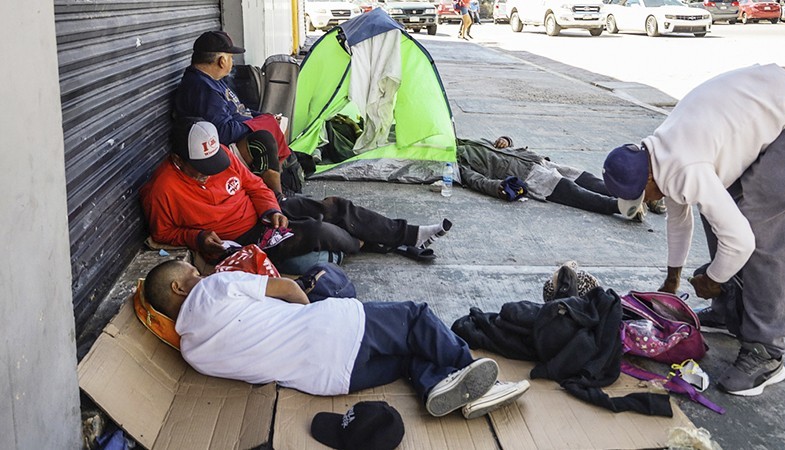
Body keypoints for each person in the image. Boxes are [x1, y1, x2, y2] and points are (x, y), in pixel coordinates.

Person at [601, 64, 785, 396]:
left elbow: (740, 242)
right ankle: (729, 310)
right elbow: (679, 218)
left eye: (642, 196)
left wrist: (714, 278)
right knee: (720, 212)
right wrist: (673, 278)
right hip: (768, 101)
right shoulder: (659, 154)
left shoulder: (685, 166)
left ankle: (767, 351)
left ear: (649, 179)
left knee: (761, 230)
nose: (646, 202)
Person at [143, 259, 531, 419]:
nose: (198, 271)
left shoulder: (192, 352)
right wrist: (307, 311)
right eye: (190, 270)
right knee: (416, 318)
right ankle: (480, 380)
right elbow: (289, 291)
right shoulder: (216, 286)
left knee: (409, 353)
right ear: (179, 287)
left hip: (331, 382)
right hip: (334, 331)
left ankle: (436, 385)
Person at [139, 118, 452, 270]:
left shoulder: (222, 155)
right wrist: (197, 239)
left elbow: (254, 186)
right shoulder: (162, 189)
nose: (209, 171)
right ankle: (378, 241)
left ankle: (408, 235)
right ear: (178, 160)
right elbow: (162, 232)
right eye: (200, 168)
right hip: (244, 241)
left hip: (265, 217)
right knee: (317, 230)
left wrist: (271, 209)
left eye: (212, 163)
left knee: (334, 207)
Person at [173, 30, 301, 198]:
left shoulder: (211, 80)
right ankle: (277, 197)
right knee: (263, 140)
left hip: (235, 136)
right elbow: (223, 132)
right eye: (231, 58)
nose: (232, 63)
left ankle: (281, 186)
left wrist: (263, 117)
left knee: (270, 122)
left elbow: (240, 110)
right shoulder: (202, 89)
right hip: (216, 150)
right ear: (221, 60)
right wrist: (258, 124)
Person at [456, 136, 665, 221]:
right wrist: (498, 187)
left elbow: (503, 144)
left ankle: (642, 196)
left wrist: (505, 140)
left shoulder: (469, 140)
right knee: (572, 191)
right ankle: (621, 207)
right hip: (526, 175)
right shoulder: (458, 161)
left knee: (586, 179)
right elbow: (476, 180)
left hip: (535, 160)